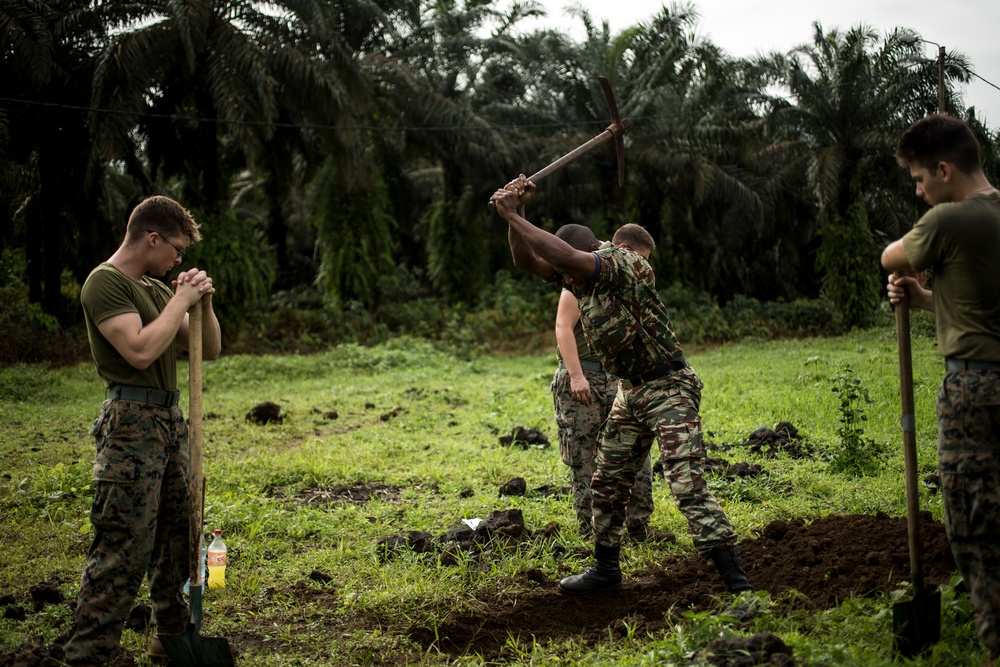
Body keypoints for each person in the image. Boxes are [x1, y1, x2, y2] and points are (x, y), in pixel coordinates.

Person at [490, 176, 753, 617]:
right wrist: (512, 217)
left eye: (570, 269)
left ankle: (740, 589)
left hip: (668, 385)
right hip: (630, 393)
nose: (563, 280)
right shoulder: (579, 281)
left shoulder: (624, 264)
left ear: (592, 252)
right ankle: (606, 569)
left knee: (686, 484)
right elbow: (527, 262)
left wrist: (516, 215)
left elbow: (560, 255)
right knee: (607, 484)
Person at [65, 195, 222, 666]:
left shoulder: (154, 289)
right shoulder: (105, 283)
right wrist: (180, 299)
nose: (179, 259)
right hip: (130, 426)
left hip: (170, 423)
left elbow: (208, 348)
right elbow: (138, 351)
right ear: (152, 238)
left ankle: (170, 634)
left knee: (180, 536)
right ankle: (89, 653)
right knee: (124, 546)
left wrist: (204, 303)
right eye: (176, 249)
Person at [882, 114, 1000, 667]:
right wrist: (928, 297)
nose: (919, 191)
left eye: (919, 181)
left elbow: (891, 256)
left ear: (945, 170)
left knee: (976, 523)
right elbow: (977, 302)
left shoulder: (950, 220)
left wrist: (909, 271)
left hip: (975, 389)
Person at [552, 257, 663, 541]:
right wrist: (577, 376)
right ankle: (593, 532)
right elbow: (563, 327)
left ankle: (638, 525)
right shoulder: (574, 288)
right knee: (585, 456)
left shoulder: (612, 289)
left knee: (633, 449)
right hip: (582, 379)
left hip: (616, 378)